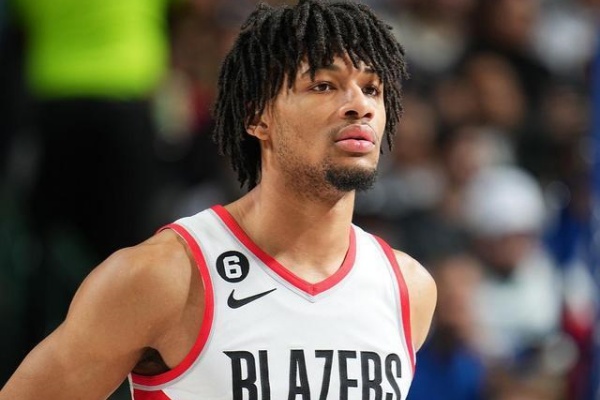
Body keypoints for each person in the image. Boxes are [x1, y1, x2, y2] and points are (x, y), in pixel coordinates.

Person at [0, 1, 437, 398]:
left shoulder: (408, 289)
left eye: (372, 89)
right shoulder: (164, 276)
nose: (359, 105)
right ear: (257, 117)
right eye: (324, 85)